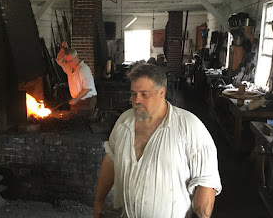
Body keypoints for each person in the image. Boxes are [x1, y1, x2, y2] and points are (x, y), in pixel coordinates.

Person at [93, 63, 221, 218]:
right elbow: (110, 160)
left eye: (144, 94)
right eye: (133, 94)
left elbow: (206, 184)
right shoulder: (123, 122)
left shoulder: (189, 126)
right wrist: (99, 201)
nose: (137, 100)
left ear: (161, 92)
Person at [56, 41, 97, 113]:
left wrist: (76, 99)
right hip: (77, 100)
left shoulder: (83, 69)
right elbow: (59, 60)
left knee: (84, 120)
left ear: (77, 57)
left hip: (87, 101)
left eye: (71, 61)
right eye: (67, 61)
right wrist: (63, 48)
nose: (69, 63)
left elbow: (87, 88)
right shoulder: (69, 68)